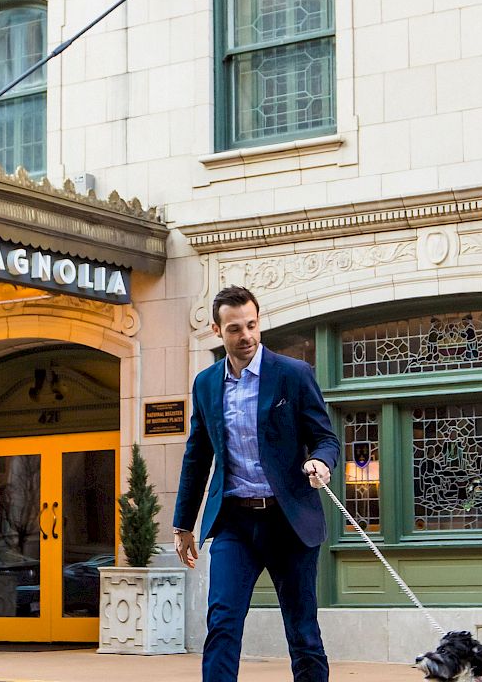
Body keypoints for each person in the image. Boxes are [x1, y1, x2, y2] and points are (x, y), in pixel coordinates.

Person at [173, 285, 340, 682]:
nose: (245, 335)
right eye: (235, 329)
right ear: (217, 330)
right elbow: (197, 455)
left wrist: (320, 461)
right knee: (223, 624)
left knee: (302, 632)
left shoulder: (294, 375)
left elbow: (325, 438)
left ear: (259, 322)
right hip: (234, 522)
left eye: (251, 325)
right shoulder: (206, 384)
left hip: (289, 522)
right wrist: (183, 523)